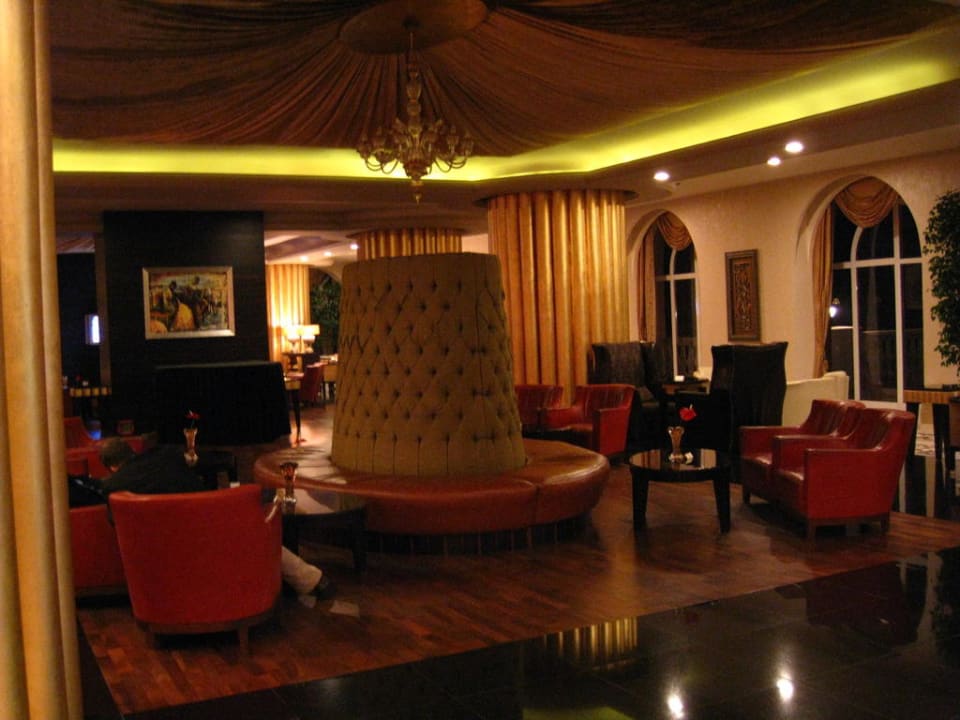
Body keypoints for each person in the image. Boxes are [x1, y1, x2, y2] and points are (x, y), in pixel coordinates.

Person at [83, 438, 334, 599]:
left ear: (111, 466)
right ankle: (313, 581)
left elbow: (118, 524)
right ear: (133, 451)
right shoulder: (165, 452)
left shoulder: (114, 486)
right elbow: (194, 463)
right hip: (211, 516)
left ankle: (305, 581)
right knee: (254, 533)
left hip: (172, 549)